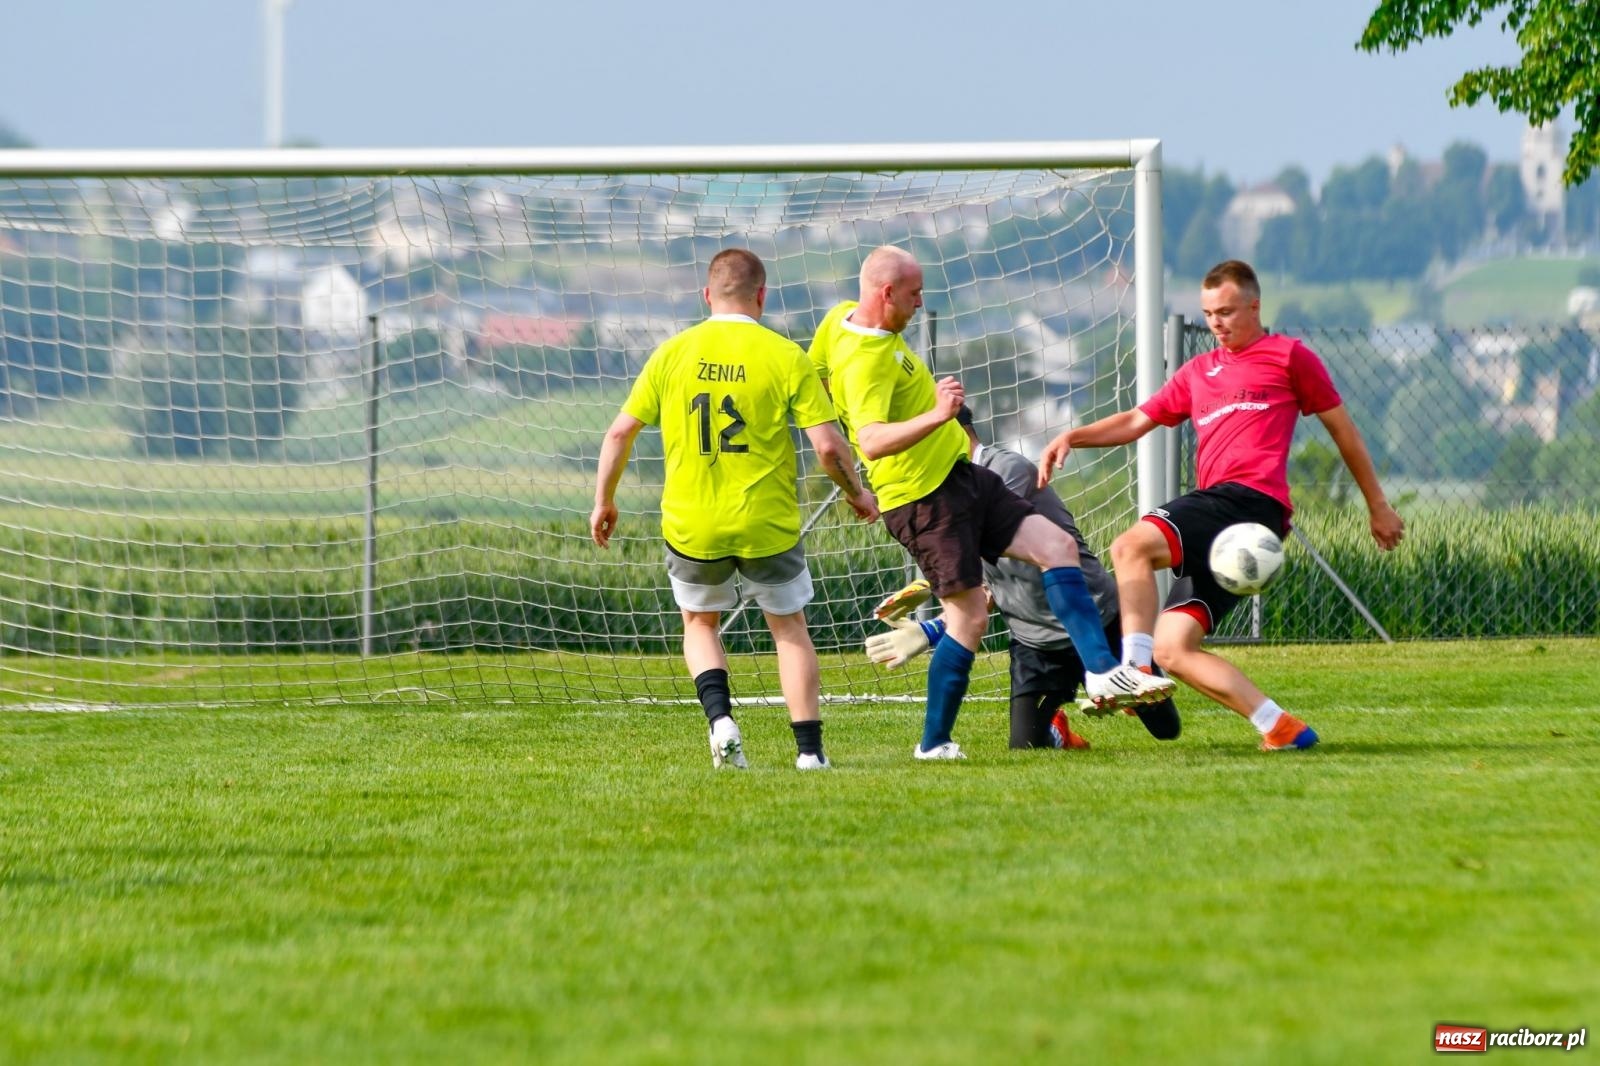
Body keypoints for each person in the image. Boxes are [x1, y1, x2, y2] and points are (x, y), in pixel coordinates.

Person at [807, 246, 1172, 761]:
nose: (919, 304)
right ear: (886, 293)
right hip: (922, 497)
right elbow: (871, 441)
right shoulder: (865, 362)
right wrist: (936, 413)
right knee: (969, 620)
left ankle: (1101, 674)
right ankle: (933, 744)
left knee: (1057, 546)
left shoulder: (837, 320)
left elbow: (816, 375)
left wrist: (839, 415)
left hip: (962, 477)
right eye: (914, 295)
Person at [1038, 259, 1405, 751]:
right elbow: (1135, 421)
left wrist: (1377, 506)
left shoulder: (1289, 357)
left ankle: (1135, 668)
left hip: (1250, 505)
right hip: (1224, 529)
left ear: (1255, 306)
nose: (1217, 322)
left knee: (1129, 547)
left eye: (1228, 311)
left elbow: (1344, 432)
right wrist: (1072, 436)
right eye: (1210, 313)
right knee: (1176, 645)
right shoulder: (1198, 372)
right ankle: (1280, 726)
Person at [591, 248, 878, 771]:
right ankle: (809, 753)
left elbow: (619, 432)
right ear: (761, 296)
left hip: (692, 521)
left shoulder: (672, 352)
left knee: (700, 623)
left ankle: (722, 722)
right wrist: (858, 493)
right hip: (766, 523)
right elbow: (829, 448)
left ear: (707, 295)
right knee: (788, 629)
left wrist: (604, 500)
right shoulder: (784, 354)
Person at [866, 405, 1181, 751]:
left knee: (1166, 728)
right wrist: (933, 623)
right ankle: (1060, 727)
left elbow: (973, 551)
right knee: (1026, 745)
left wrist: (933, 618)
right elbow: (977, 584)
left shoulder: (1003, 470)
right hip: (1035, 640)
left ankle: (1110, 674)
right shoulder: (946, 494)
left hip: (1098, 619)